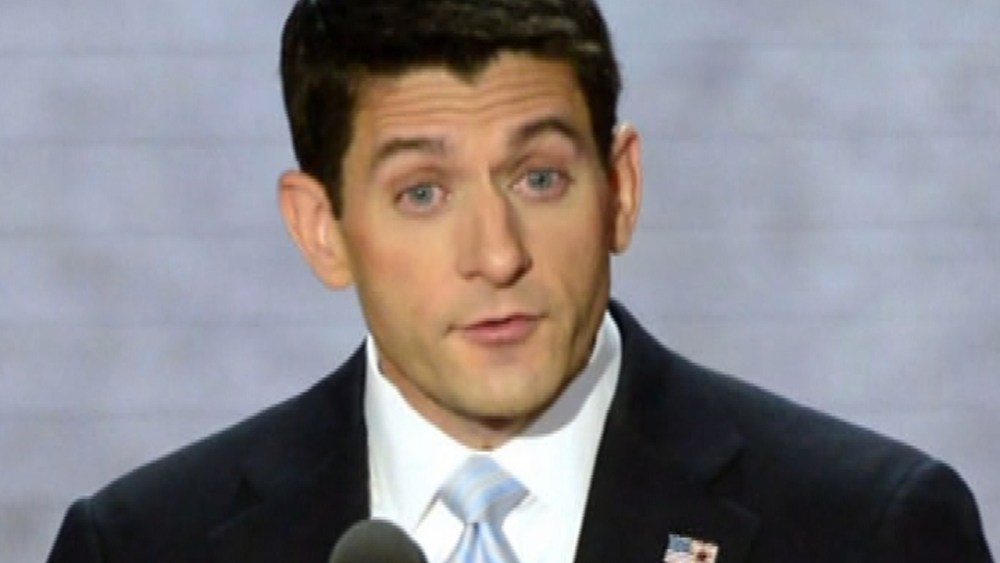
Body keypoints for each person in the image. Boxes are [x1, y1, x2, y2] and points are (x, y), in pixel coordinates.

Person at [47, 0, 993, 562]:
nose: (497, 254)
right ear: (321, 229)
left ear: (620, 189)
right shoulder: (142, 546)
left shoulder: (868, 531)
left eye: (539, 178)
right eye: (422, 192)